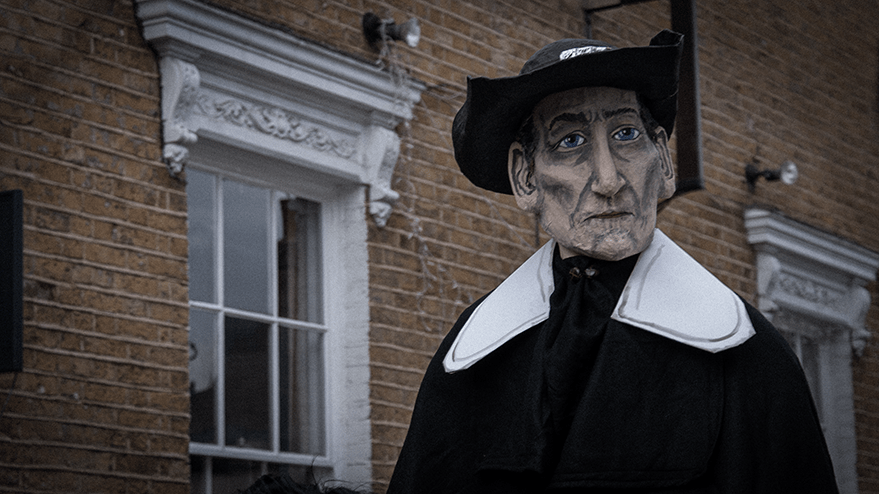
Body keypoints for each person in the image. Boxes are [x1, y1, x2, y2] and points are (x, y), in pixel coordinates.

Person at [386, 30, 839, 493]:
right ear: (526, 177)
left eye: (625, 135)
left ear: (662, 159)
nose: (608, 178)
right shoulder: (474, 354)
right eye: (571, 141)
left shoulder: (743, 349)